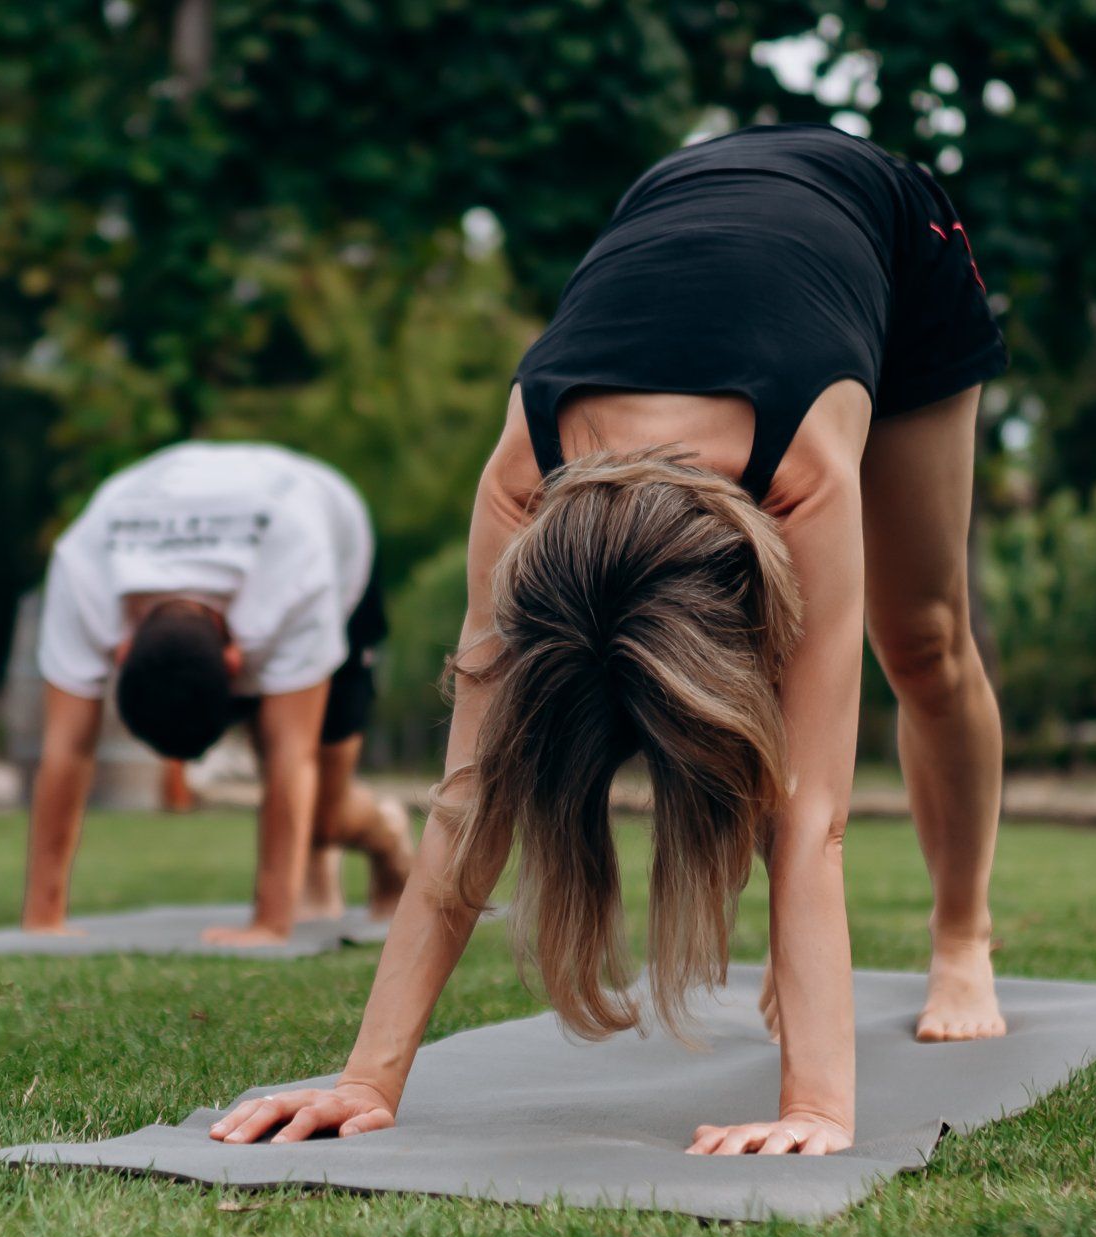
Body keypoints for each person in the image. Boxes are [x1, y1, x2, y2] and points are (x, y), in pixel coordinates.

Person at [210, 122, 1009, 1156]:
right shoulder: (521, 478)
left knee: (923, 641)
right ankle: (842, 959)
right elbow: (469, 799)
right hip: (678, 201)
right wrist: (369, 1080)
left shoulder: (802, 463)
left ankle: (964, 932)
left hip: (887, 230)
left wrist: (816, 1108)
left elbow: (811, 818)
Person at [20, 440, 413, 947]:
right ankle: (315, 877)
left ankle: (388, 838)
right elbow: (65, 749)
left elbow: (291, 756)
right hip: (198, 517)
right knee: (303, 803)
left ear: (235, 662)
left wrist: (269, 925)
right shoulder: (84, 570)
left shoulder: (296, 575)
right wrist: (43, 915)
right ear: (121, 651)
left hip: (326, 521)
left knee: (324, 813)